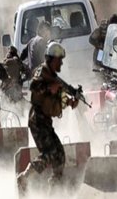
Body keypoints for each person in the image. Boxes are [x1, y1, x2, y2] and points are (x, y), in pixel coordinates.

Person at [16, 42, 79, 194]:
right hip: (37, 120)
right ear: (52, 59)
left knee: (60, 156)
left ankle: (54, 190)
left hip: (46, 122)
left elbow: (56, 98)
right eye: (59, 60)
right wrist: (49, 88)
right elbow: (34, 87)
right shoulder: (42, 71)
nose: (61, 63)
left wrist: (70, 102)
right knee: (50, 153)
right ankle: (24, 177)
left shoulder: (53, 77)